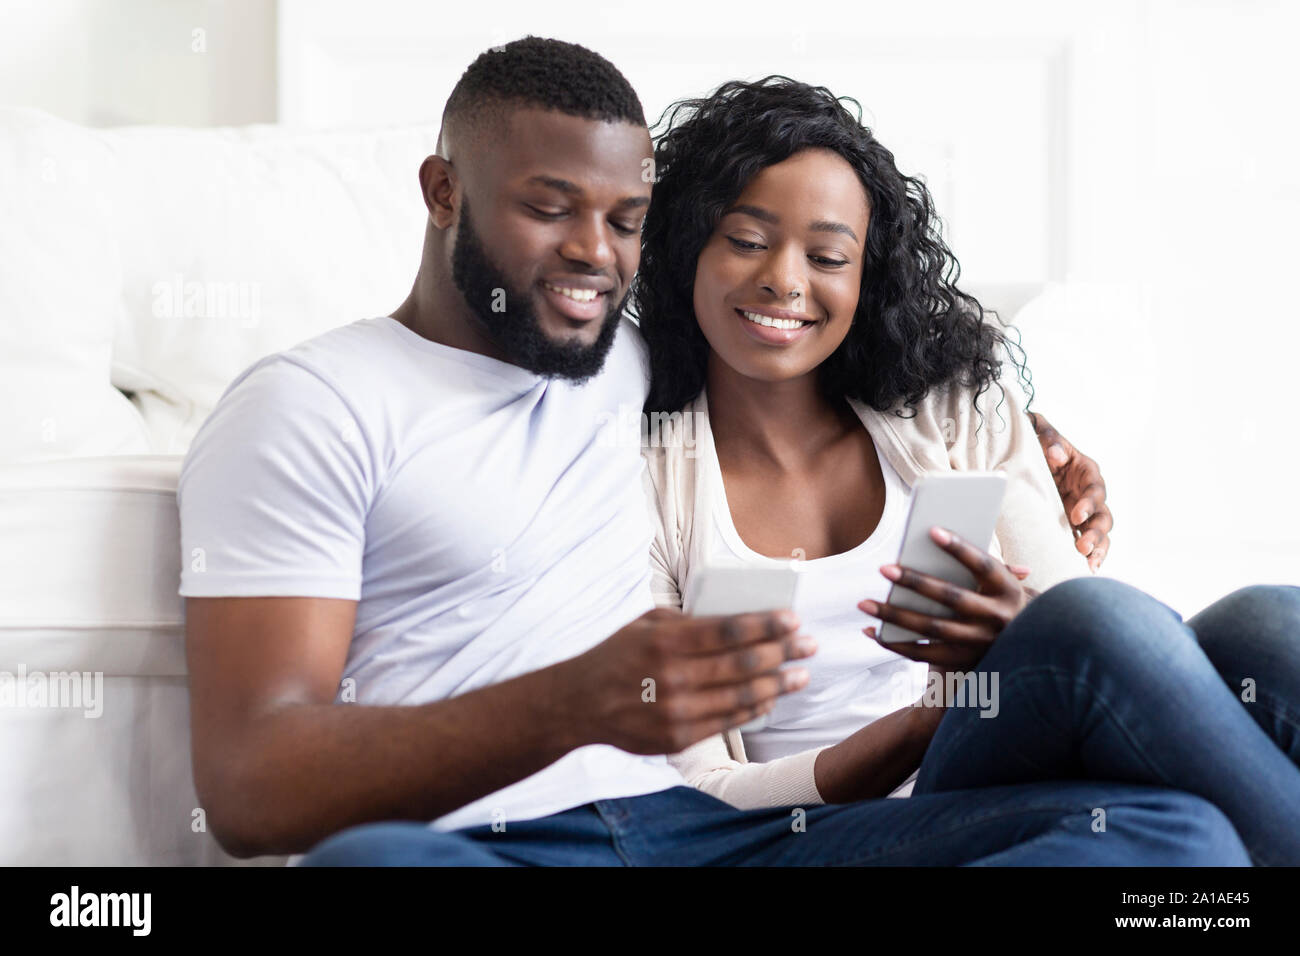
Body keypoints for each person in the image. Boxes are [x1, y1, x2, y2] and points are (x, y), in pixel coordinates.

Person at [179, 36, 1247, 866]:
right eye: (549, 209)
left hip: (718, 841)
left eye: (624, 220)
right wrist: (580, 698)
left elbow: (858, 329)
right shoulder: (311, 404)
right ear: (442, 190)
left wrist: (1039, 432)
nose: (592, 255)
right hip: (503, 837)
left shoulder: (631, 360)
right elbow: (247, 789)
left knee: (1172, 839)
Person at [635, 76, 1300, 865]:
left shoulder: (947, 407)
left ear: (864, 276)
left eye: (827, 255)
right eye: (746, 240)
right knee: (1095, 630)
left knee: (1265, 624)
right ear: (687, 247)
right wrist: (927, 722)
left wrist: (1006, 637)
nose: (785, 279)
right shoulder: (643, 469)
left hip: (997, 753)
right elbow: (697, 791)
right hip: (819, 825)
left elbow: (1062, 610)